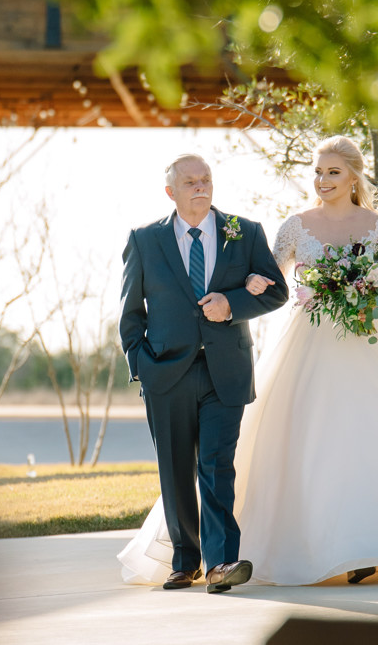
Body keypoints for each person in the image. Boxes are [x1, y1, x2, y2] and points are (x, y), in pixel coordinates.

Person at [120, 136, 378, 587]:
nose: (323, 180)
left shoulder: (366, 225)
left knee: (357, 445)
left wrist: (360, 291)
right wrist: (144, 362)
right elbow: (268, 279)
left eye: (333, 172)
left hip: (356, 350)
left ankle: (351, 547)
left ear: (354, 175)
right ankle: (195, 558)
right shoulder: (288, 227)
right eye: (318, 172)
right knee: (239, 457)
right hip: (283, 350)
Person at [118, 154, 288, 593]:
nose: (200, 186)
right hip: (164, 373)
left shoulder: (244, 232)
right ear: (171, 191)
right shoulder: (143, 240)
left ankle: (221, 564)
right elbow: (130, 314)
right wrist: (141, 366)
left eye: (206, 179)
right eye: (190, 181)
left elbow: (278, 291)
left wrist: (233, 304)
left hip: (225, 371)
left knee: (216, 466)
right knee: (175, 469)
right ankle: (184, 560)